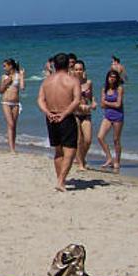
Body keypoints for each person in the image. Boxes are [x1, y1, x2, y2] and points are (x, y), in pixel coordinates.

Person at [37, 53, 81, 191]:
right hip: (65, 117)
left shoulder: (47, 81)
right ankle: (61, 180)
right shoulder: (72, 81)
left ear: (54, 65)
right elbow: (76, 100)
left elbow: (40, 100)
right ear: (68, 64)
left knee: (58, 151)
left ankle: (60, 180)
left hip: (51, 117)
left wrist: (47, 112)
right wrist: (65, 114)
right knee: (70, 150)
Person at [97, 69, 125, 172]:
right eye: (110, 77)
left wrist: (107, 103)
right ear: (107, 78)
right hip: (107, 116)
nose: (112, 78)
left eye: (114, 77)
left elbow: (118, 104)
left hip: (118, 116)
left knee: (116, 140)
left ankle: (117, 161)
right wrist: (108, 104)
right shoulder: (104, 89)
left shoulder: (119, 89)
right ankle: (109, 158)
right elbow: (101, 104)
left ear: (117, 78)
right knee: (100, 137)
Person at [73, 60, 96, 170]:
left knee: (88, 140)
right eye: (76, 69)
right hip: (75, 114)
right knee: (78, 140)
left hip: (86, 114)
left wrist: (94, 103)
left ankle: (81, 158)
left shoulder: (88, 82)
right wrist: (80, 106)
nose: (78, 71)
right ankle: (81, 164)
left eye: (80, 69)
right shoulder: (71, 83)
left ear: (84, 70)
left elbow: (91, 96)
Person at [0, 58, 24, 153]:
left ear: (11, 66)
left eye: (5, 66)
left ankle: (13, 147)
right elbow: (0, 91)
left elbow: (22, 87)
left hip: (16, 103)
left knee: (14, 126)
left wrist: (22, 76)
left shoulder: (18, 76)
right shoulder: (4, 77)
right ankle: (11, 149)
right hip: (6, 102)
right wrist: (6, 82)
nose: (4, 68)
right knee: (11, 124)